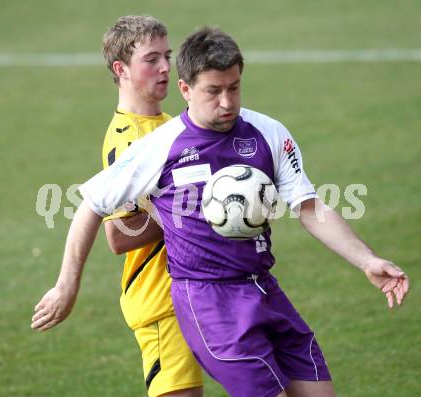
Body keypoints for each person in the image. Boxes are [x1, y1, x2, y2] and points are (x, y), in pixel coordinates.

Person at [33, 27, 409, 397]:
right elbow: (91, 205)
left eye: (234, 88)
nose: (227, 102)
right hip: (208, 303)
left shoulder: (268, 132)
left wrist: (366, 260)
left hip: (264, 289)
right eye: (213, 91)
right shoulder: (160, 147)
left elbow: (309, 208)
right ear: (186, 90)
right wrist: (66, 287)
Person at [31, 16, 203, 397]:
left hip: (198, 288)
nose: (164, 67)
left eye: (167, 56)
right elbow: (119, 235)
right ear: (121, 69)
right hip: (161, 301)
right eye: (151, 59)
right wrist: (203, 207)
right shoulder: (127, 140)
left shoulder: (170, 124)